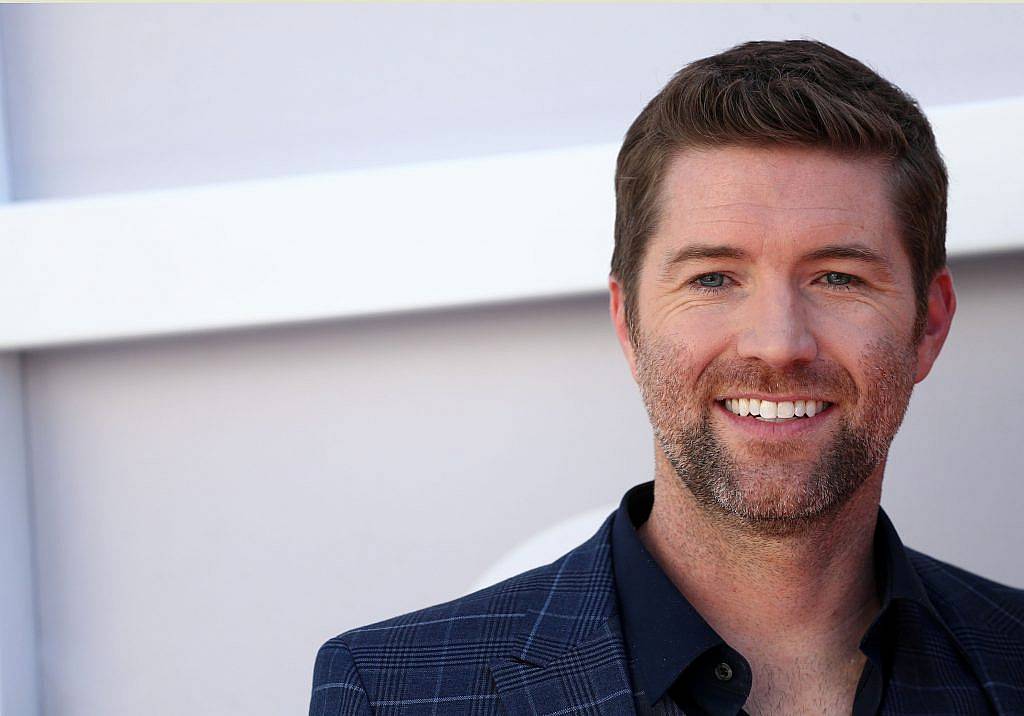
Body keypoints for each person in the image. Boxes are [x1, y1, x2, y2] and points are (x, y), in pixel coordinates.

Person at [309, 40, 1024, 715]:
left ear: (929, 324)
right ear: (629, 321)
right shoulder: (392, 692)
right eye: (714, 277)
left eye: (838, 277)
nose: (778, 344)